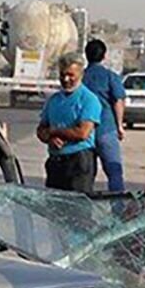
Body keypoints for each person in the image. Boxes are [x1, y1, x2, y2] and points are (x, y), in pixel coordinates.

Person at [37, 53, 102, 193]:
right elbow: (41, 129)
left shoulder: (89, 100)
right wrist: (49, 138)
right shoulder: (54, 100)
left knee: (77, 204)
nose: (66, 79)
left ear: (81, 74)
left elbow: (82, 133)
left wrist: (54, 131)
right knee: (54, 203)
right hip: (56, 161)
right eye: (62, 75)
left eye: (71, 75)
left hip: (78, 161)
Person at [81, 39, 127, 191]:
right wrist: (119, 126)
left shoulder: (80, 77)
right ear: (104, 56)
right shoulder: (110, 76)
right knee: (114, 173)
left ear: (86, 55)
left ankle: (84, 203)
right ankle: (117, 203)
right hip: (106, 129)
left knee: (85, 174)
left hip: (84, 132)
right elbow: (118, 101)